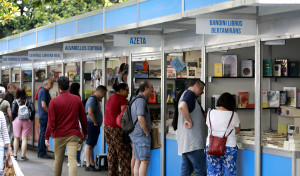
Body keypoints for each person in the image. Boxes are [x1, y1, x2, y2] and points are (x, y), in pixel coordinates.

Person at [45, 76, 88, 176]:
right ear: (69, 86)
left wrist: (46, 136)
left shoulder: (53, 102)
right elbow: (83, 118)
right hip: (73, 135)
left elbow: (51, 122)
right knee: (72, 160)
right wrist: (85, 132)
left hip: (58, 135)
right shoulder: (77, 99)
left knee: (58, 160)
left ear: (58, 87)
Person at [206, 92, 241, 176]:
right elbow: (238, 130)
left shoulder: (210, 113)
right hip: (229, 146)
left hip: (212, 146)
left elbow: (209, 126)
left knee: (213, 172)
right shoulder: (234, 115)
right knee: (229, 172)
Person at [177, 79, 206, 176]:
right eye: (202, 89)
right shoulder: (189, 94)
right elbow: (182, 106)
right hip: (194, 143)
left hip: (187, 143)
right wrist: (189, 120)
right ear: (196, 85)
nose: (202, 92)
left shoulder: (188, 96)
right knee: (201, 170)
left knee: (186, 171)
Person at [104, 83, 131, 176]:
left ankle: (112, 173)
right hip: (116, 129)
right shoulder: (121, 99)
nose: (128, 92)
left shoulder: (111, 97)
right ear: (122, 90)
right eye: (127, 90)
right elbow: (125, 116)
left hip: (107, 127)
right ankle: (125, 174)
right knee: (123, 154)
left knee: (112, 153)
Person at [129, 81, 153, 176]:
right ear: (146, 89)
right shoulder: (141, 100)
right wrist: (146, 132)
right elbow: (140, 117)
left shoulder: (135, 99)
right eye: (151, 87)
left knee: (138, 160)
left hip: (135, 134)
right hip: (141, 135)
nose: (152, 90)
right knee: (144, 161)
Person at [84, 85, 107, 171]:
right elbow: (90, 112)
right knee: (88, 144)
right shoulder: (92, 99)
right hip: (91, 124)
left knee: (91, 145)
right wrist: (95, 122)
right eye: (104, 93)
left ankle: (92, 163)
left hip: (93, 125)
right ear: (100, 91)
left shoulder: (95, 100)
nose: (104, 95)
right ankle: (88, 164)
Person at [12, 88, 35, 161]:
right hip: (26, 120)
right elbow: (33, 110)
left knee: (16, 138)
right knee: (24, 139)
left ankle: (15, 155)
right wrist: (30, 119)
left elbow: (13, 112)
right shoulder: (29, 101)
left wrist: (13, 119)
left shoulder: (15, 101)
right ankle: (23, 156)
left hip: (17, 120)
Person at [37, 78, 54, 159]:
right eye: (51, 83)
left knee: (42, 134)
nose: (52, 84)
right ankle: (42, 152)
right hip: (44, 116)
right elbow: (44, 105)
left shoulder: (43, 91)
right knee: (44, 134)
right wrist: (49, 113)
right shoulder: (44, 91)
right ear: (46, 84)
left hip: (42, 115)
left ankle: (41, 151)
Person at [69, 82, 83, 167]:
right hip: (76, 122)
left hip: (68, 122)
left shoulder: (68, 97)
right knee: (77, 142)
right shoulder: (77, 97)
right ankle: (76, 160)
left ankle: (70, 160)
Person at [0, 110, 12, 175]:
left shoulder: (1, 114)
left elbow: (5, 132)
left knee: (0, 171)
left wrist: (9, 148)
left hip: (0, 146)